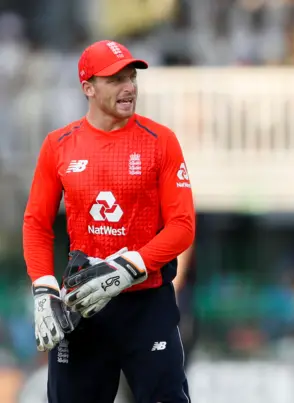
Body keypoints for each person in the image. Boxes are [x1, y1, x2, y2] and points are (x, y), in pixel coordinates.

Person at [23, 40, 195, 403]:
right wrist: (43, 289)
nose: (129, 86)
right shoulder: (59, 145)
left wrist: (128, 267)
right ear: (88, 88)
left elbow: (182, 226)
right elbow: (36, 223)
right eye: (115, 79)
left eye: (131, 77)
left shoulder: (161, 141)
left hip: (147, 305)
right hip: (82, 306)